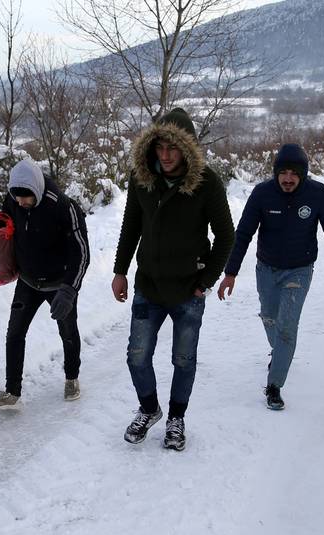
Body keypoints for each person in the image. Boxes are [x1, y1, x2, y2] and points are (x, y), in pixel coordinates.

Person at [111, 107, 234, 451]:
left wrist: (206, 279)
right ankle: (149, 409)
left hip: (187, 290)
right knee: (137, 356)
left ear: (187, 149)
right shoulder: (141, 179)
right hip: (148, 285)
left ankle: (176, 418)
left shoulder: (207, 183)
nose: (165, 156)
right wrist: (120, 271)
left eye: (173, 148)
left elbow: (226, 235)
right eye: (160, 147)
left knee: (183, 359)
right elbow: (130, 227)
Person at [217, 143, 324, 411]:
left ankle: (274, 386)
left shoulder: (317, 194)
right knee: (269, 317)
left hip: (299, 270)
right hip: (266, 269)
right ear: (276, 173)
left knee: (287, 328)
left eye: (294, 173)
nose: (288, 178)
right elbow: (243, 233)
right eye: (283, 172)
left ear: (303, 174)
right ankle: (280, 353)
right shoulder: (261, 194)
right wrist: (230, 273)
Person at [0, 159, 90, 409]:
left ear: (37, 191)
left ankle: (72, 377)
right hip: (28, 280)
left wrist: (69, 290)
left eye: (26, 197)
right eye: (16, 197)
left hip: (58, 283)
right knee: (15, 333)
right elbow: (1, 221)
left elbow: (81, 253)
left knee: (68, 332)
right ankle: (12, 391)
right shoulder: (15, 198)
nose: (21, 202)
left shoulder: (63, 207)